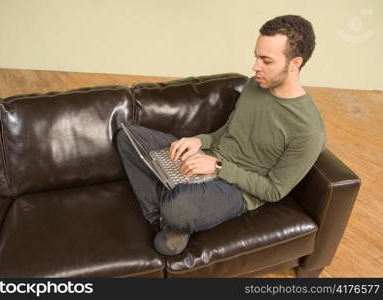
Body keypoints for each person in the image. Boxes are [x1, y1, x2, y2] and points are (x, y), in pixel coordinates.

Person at [117, 15, 326, 256]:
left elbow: (274, 191)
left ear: (294, 63)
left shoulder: (309, 131)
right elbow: (228, 130)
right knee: (128, 137)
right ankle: (164, 217)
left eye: (266, 60)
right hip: (208, 157)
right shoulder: (254, 85)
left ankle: (173, 211)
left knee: (179, 206)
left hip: (236, 190)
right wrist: (199, 141)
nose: (255, 67)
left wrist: (217, 166)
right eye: (256, 57)